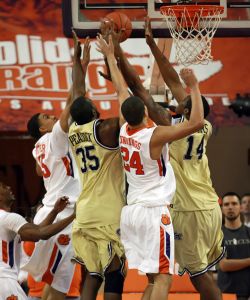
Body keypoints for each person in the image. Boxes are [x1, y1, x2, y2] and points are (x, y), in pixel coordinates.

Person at [142, 17, 225, 300]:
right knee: (204, 274)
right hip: (209, 206)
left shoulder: (176, 129)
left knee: (201, 280)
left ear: (188, 110)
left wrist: (119, 58)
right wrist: (153, 46)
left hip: (189, 211)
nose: (178, 99)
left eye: (183, 101)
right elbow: (172, 80)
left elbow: (151, 93)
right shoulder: (204, 126)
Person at [119, 68, 204, 300]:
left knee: (153, 279)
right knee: (164, 277)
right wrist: (194, 85)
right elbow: (197, 122)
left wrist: (111, 56)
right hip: (153, 212)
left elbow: (120, 91)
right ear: (146, 112)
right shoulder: (154, 135)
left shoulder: (122, 131)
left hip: (132, 211)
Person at [23, 33, 90, 300]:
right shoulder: (55, 139)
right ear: (42, 128)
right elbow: (74, 104)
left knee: (53, 286)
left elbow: (70, 103)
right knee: (61, 286)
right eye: (47, 117)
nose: (53, 116)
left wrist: (80, 71)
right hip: (62, 216)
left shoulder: (37, 146)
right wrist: (78, 66)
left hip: (47, 215)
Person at [68, 33, 130, 300]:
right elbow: (124, 99)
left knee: (94, 273)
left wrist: (79, 63)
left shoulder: (73, 130)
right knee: (115, 271)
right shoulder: (105, 130)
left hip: (84, 211)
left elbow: (77, 95)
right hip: (107, 212)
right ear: (94, 113)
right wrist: (110, 57)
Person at [0, 182, 75, 300]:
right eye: (3, 187)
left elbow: (38, 230)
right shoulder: (8, 218)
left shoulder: (4, 221)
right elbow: (41, 234)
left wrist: (55, 211)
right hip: (5, 281)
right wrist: (73, 216)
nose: (9, 187)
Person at [218, 192, 250, 300]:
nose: (230, 207)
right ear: (222, 209)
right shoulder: (217, 235)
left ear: (241, 207)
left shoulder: (248, 232)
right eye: (226, 204)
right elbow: (224, 265)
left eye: (234, 203)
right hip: (227, 293)